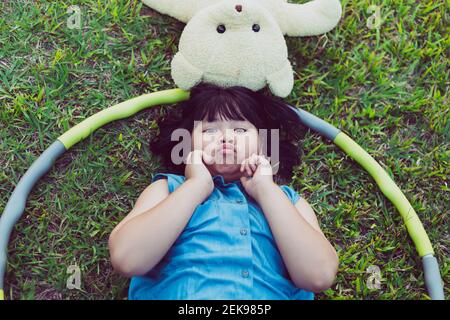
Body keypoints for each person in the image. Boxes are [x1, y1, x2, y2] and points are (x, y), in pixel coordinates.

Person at [108, 82, 339, 299]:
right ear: (187, 144)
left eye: (240, 130)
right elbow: (128, 259)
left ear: (264, 143)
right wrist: (197, 184)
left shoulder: (288, 202)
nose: (226, 138)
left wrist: (266, 190)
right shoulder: (167, 189)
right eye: (209, 131)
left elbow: (318, 276)